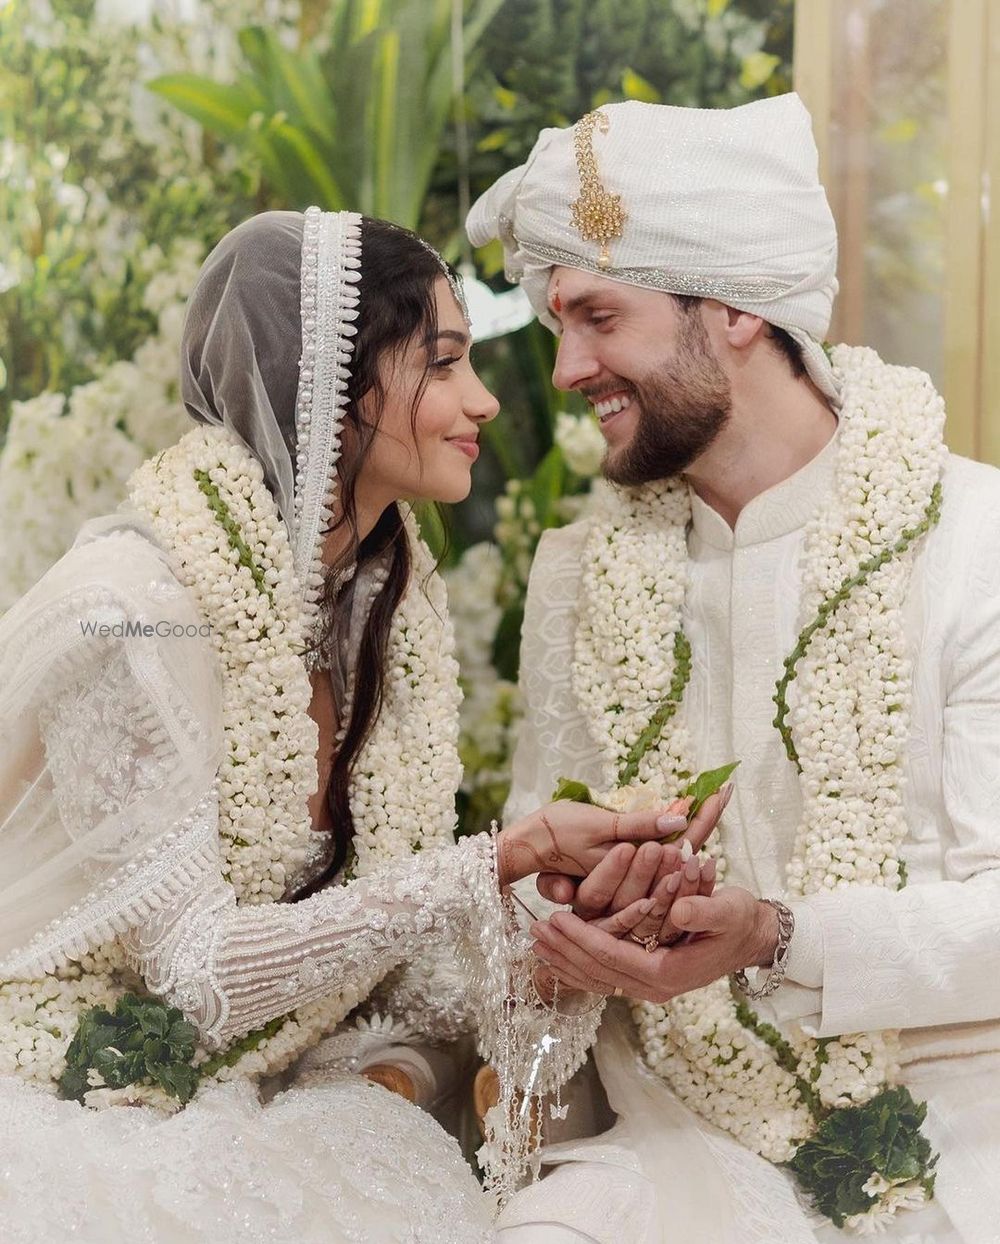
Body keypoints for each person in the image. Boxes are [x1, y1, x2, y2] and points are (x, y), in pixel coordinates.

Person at [0, 207, 722, 1242]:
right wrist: (491, 863)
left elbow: (392, 967)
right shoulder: (129, 610)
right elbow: (197, 978)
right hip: (66, 1083)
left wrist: (561, 928)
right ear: (333, 395)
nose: (480, 401)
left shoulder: (377, 601)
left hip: (258, 1087)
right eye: (442, 364)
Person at [468, 93, 1000, 1243]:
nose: (565, 369)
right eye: (558, 323)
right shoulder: (578, 572)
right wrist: (576, 919)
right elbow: (528, 874)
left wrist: (776, 936)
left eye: (598, 317)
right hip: (677, 1129)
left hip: (956, 1119)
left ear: (736, 312)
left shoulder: (975, 542)